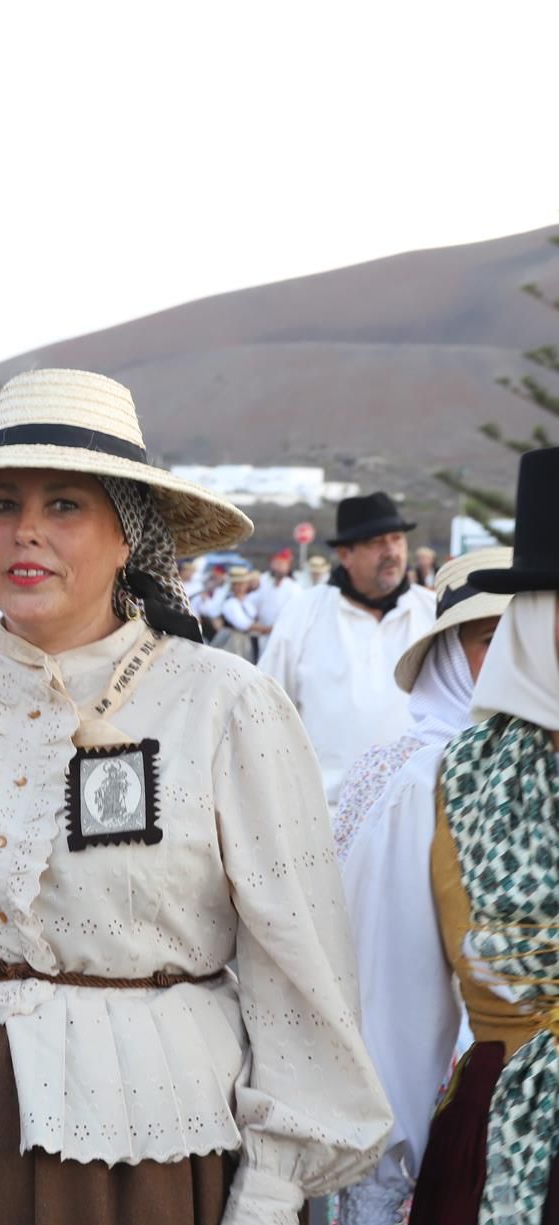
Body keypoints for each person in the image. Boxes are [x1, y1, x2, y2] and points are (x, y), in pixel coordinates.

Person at [0, 368, 390, 1225]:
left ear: (128, 535)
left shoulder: (223, 703)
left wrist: (272, 1187)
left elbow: (297, 966)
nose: (25, 533)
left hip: (135, 1158)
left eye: (63, 507)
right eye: (2, 504)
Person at [337, 446, 559, 1223]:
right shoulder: (435, 782)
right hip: (491, 1136)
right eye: (482, 636)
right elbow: (394, 1000)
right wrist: (381, 1177)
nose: (501, 651)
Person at [329, 547, 507, 865]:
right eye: (492, 639)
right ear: (450, 658)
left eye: (527, 636)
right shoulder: (389, 776)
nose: (516, 655)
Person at [259, 492, 437, 804]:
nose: (392, 551)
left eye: (397, 539)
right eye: (376, 543)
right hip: (325, 814)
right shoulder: (305, 614)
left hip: (417, 812)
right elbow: (263, 714)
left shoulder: (432, 612)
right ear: (345, 554)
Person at [211, 564, 262, 662]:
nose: (240, 587)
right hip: (233, 642)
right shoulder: (230, 603)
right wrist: (267, 629)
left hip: (247, 641)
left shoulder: (249, 601)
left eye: (242, 584)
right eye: (237, 584)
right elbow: (244, 625)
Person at [252, 548, 301, 635]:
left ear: (287, 567)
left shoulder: (294, 588)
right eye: (276, 563)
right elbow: (253, 603)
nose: (278, 567)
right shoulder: (263, 581)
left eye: (281, 564)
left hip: (284, 633)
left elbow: (295, 614)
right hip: (263, 632)